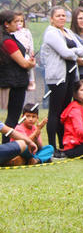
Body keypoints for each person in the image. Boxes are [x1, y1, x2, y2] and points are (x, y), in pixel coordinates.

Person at [41, 6, 83, 155]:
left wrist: (74, 52)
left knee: (65, 112)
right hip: (57, 77)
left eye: (63, 15)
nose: (61, 18)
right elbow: (65, 53)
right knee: (55, 111)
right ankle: (52, 147)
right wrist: (75, 53)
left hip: (71, 75)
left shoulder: (68, 32)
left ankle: (63, 144)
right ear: (52, 18)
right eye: (58, 16)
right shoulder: (51, 33)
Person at [0, 10, 36, 143]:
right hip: (14, 82)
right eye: (15, 22)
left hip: (14, 81)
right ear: (6, 24)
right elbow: (23, 63)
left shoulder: (10, 38)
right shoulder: (7, 41)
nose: (18, 24)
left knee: (12, 118)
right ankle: (5, 147)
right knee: (12, 119)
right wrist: (30, 63)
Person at [13, 11, 36, 102]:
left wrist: (32, 52)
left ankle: (31, 81)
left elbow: (30, 43)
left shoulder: (26, 32)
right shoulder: (13, 33)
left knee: (29, 63)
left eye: (21, 21)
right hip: (17, 54)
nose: (19, 23)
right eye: (17, 21)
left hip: (26, 53)